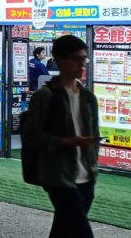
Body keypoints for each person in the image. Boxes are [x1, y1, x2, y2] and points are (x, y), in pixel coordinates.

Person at [24, 35, 100, 238]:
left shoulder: (88, 98)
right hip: (58, 177)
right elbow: (31, 136)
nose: (82, 64)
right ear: (60, 60)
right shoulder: (45, 96)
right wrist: (66, 142)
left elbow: (94, 134)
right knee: (82, 232)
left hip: (87, 177)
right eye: (76, 58)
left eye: (84, 59)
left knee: (63, 229)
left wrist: (92, 159)